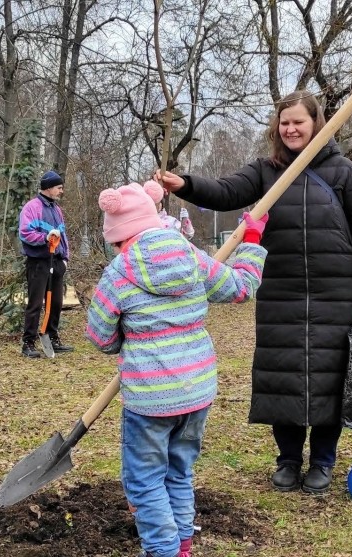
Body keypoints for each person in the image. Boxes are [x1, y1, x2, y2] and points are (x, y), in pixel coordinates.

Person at [155, 90, 352, 495]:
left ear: (316, 122)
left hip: (339, 293)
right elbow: (225, 192)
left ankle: (323, 462)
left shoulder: (343, 173)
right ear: (277, 128)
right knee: (284, 376)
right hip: (281, 292)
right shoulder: (266, 171)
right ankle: (288, 460)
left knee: (332, 380)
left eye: (299, 121)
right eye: (285, 122)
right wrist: (184, 184)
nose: (292, 128)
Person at [86, 181, 266, 557]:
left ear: (120, 237)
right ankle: (181, 546)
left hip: (150, 399)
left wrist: (128, 339)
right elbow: (241, 287)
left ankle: (163, 550)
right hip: (197, 390)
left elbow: (99, 336)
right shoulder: (191, 255)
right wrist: (250, 240)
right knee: (179, 472)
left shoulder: (119, 272)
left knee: (145, 482)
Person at [18, 170, 72, 358]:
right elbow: (25, 233)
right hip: (38, 262)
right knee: (35, 303)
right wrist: (44, 238)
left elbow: (63, 235)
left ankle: (52, 338)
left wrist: (65, 258)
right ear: (49, 188)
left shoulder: (56, 209)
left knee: (55, 302)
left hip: (56, 262)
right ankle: (28, 343)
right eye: (59, 187)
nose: (61, 191)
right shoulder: (32, 207)